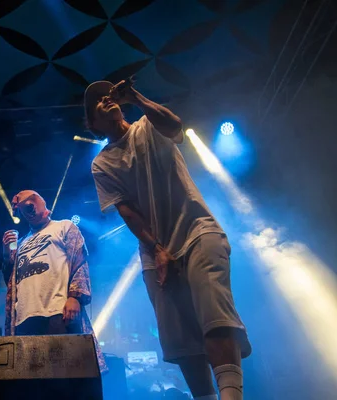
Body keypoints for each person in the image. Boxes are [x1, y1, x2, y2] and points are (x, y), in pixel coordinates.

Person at [85, 80, 251, 400]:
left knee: (214, 316)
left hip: (197, 230)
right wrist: (156, 249)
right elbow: (127, 211)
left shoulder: (148, 125)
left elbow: (175, 125)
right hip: (154, 252)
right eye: (98, 102)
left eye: (109, 96)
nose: (107, 100)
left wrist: (135, 97)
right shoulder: (101, 163)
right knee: (183, 342)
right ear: (92, 123)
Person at [1, 190, 106, 372]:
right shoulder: (22, 242)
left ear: (45, 207)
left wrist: (75, 297)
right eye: (25, 211)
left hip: (56, 311)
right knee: (31, 376)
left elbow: (79, 261)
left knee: (63, 371)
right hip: (25, 316)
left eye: (32, 207)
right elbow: (12, 283)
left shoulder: (64, 226)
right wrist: (6, 255)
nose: (29, 212)